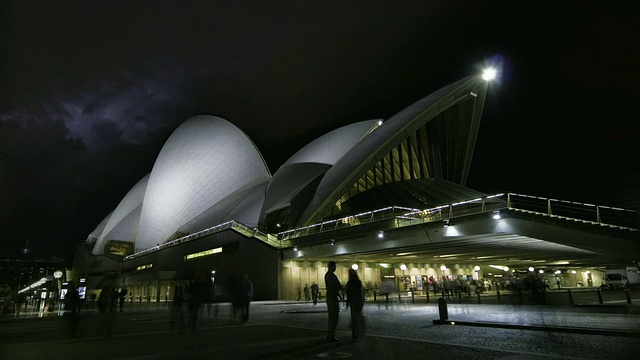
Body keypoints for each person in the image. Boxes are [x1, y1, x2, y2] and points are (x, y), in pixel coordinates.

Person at [324, 260, 343, 342]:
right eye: (334, 266)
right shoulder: (331, 276)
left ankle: (331, 334)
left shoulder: (328, 275)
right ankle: (331, 334)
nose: (335, 268)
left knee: (333, 316)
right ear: (331, 267)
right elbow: (336, 286)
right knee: (333, 316)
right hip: (332, 297)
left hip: (331, 296)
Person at [345, 269, 365, 342]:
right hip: (358, 301)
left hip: (353, 302)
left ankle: (354, 333)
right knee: (358, 316)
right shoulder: (358, 282)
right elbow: (361, 292)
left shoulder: (349, 283)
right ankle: (360, 331)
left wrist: (347, 303)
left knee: (353, 317)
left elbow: (348, 294)